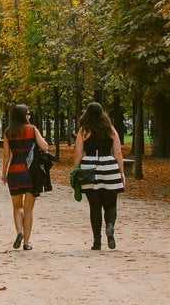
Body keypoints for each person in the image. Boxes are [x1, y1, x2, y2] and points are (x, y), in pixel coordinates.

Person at [74, 102, 126, 250]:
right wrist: (121, 173)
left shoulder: (84, 131)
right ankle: (110, 226)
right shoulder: (111, 130)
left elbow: (78, 153)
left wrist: (76, 170)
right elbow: (118, 153)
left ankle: (97, 242)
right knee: (111, 204)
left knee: (94, 207)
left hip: (90, 169)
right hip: (109, 167)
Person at [1, 104, 49, 250]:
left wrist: (4, 173)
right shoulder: (32, 129)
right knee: (28, 209)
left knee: (17, 207)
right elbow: (45, 147)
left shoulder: (8, 132)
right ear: (23, 115)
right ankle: (27, 242)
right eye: (28, 114)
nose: (29, 116)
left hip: (15, 171)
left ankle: (19, 233)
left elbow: (6, 154)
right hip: (30, 172)